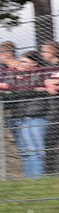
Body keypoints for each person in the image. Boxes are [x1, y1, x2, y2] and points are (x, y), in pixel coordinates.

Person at [0, 52, 50, 179]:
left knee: (34, 151)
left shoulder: (40, 75)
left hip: (33, 118)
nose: (20, 64)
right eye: (20, 61)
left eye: (24, 62)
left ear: (34, 63)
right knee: (24, 152)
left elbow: (23, 90)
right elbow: (9, 95)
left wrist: (3, 86)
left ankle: (36, 181)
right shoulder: (17, 77)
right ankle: (29, 180)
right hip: (17, 118)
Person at [40, 41, 59, 174]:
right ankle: (50, 175)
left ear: (51, 53)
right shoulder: (51, 68)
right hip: (55, 111)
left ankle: (51, 173)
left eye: (44, 51)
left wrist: (52, 82)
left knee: (50, 140)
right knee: (49, 140)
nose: (42, 54)